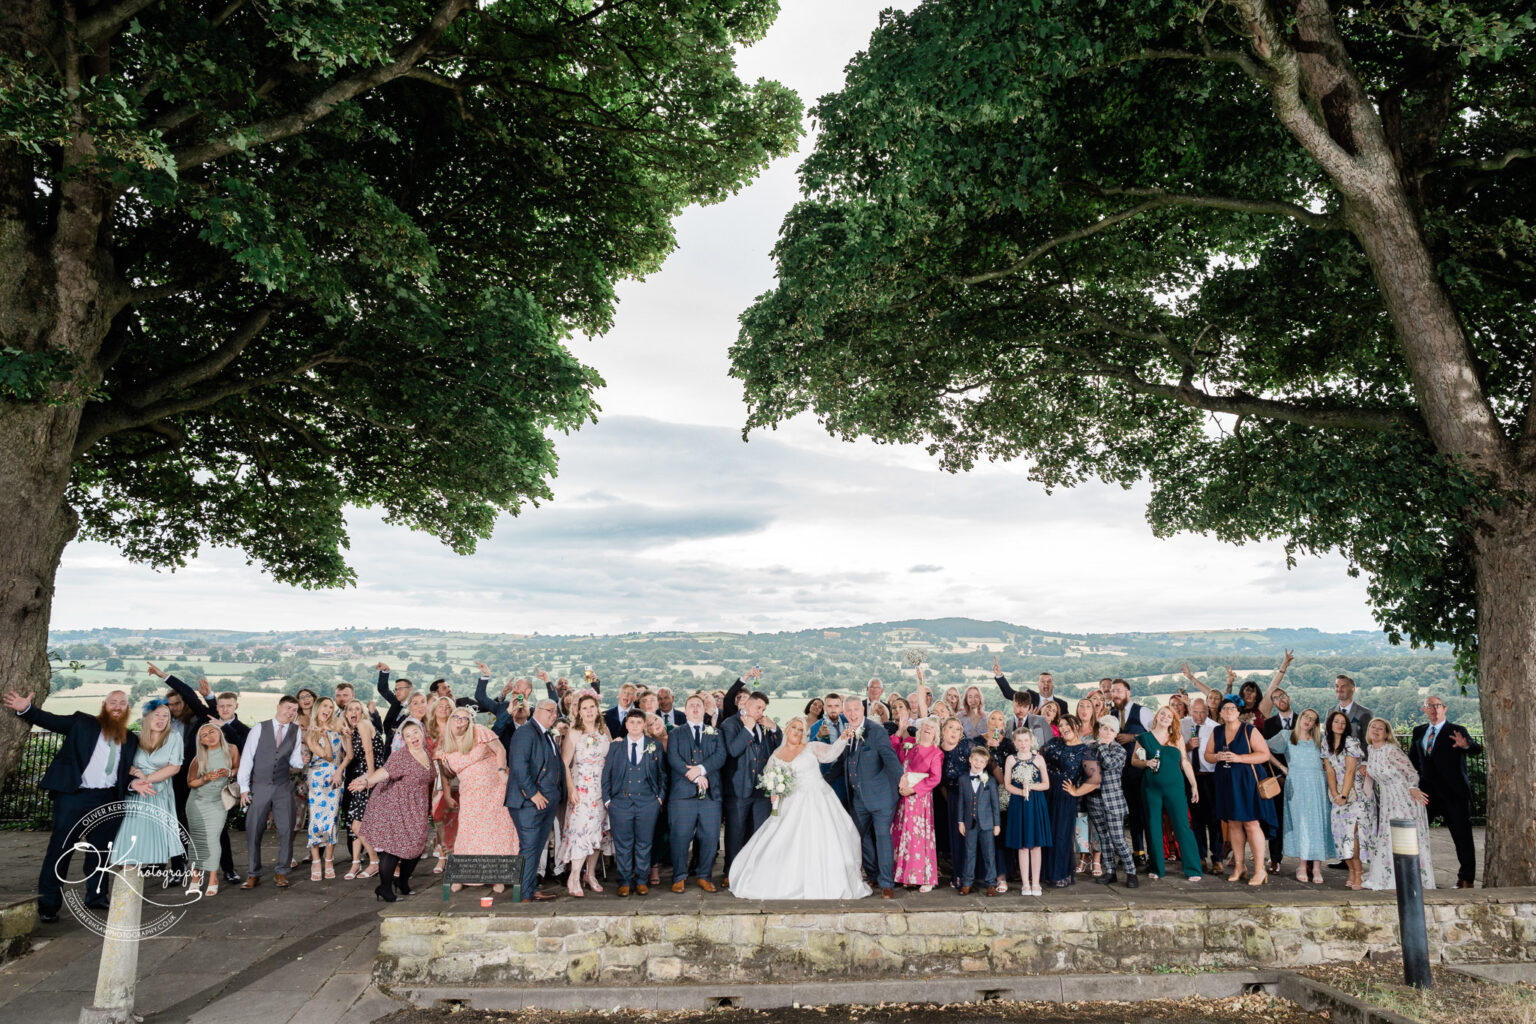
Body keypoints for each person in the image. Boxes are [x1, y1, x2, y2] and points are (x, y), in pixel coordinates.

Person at [2, 687, 139, 921]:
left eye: (122, 703)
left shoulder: (131, 739)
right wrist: (25, 709)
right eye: (113, 702)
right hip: (74, 796)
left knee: (101, 851)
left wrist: (136, 780)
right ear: (104, 705)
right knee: (60, 849)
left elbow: (127, 773)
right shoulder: (82, 723)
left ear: (127, 709)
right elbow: (51, 721)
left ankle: (96, 897)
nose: (117, 706)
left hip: (108, 799)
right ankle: (48, 905)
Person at [728, 717, 870, 900]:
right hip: (790, 801)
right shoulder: (775, 756)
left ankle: (825, 882)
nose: (797, 732)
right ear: (787, 729)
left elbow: (831, 754)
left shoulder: (811, 747)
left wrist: (842, 738)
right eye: (794, 727)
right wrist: (774, 791)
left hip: (818, 799)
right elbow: (770, 779)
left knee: (823, 840)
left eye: (801, 729)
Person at [436, 707, 517, 893]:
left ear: (469, 721)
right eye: (456, 717)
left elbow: (501, 750)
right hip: (470, 794)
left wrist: (501, 771)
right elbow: (446, 774)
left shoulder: (479, 731)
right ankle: (462, 876)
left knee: (497, 832)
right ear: (450, 720)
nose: (459, 721)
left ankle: (498, 877)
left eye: (464, 718)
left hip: (495, 790)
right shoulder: (444, 744)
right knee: (468, 832)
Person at [351, 720, 433, 902]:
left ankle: (402, 882)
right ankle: (385, 888)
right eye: (408, 735)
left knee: (417, 844)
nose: (413, 737)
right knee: (394, 847)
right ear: (403, 740)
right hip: (394, 805)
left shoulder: (426, 753)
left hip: (416, 806)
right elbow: (384, 772)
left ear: (422, 733)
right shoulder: (401, 757)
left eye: (415, 732)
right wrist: (366, 781)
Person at [829, 696, 903, 899]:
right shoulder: (847, 733)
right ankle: (873, 874)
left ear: (863, 710)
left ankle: (887, 884)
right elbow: (842, 761)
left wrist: (902, 781)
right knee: (857, 836)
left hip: (882, 797)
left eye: (856, 709)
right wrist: (822, 780)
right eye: (849, 710)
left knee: (882, 837)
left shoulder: (876, 731)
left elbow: (889, 758)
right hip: (859, 799)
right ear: (845, 713)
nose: (852, 714)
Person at [105, 698, 186, 882]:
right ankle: (128, 877)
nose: (161, 719)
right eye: (156, 715)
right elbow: (124, 763)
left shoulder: (174, 738)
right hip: (135, 795)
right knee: (129, 834)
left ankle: (174, 868)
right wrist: (133, 772)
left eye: (165, 716)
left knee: (159, 834)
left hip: (158, 791)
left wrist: (146, 780)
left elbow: (174, 767)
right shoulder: (135, 738)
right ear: (146, 717)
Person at [1408, 695, 1480, 888]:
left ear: (1444, 708)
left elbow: (1475, 749)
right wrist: (1410, 785)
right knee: (1416, 835)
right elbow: (1412, 762)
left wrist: (1466, 745)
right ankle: (1415, 876)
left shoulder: (1456, 730)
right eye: (1430, 706)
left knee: (1462, 838)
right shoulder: (1418, 732)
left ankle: (1466, 879)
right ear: (1425, 710)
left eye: (1438, 706)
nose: (1434, 709)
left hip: (1454, 794)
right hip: (1426, 795)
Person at [1205, 698, 1276, 885]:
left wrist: (1239, 758)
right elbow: (1207, 755)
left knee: (1251, 823)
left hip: (1247, 781)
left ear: (1238, 712)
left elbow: (1264, 754)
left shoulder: (1249, 730)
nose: (1228, 711)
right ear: (1220, 713)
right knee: (1234, 824)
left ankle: (1260, 870)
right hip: (1226, 781)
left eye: (1232, 708)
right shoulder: (1217, 731)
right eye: (1225, 708)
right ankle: (1239, 866)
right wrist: (1217, 756)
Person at [237, 695, 305, 889]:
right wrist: (244, 788)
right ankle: (253, 873)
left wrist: (304, 761)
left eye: (294, 710)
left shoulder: (295, 730)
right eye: (288, 708)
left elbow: (294, 759)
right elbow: (247, 759)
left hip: (283, 787)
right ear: (278, 707)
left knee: (286, 830)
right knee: (254, 830)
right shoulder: (259, 728)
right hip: (260, 786)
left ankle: (281, 872)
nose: (291, 713)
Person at [1360, 718, 1435, 892]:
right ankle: (1389, 877)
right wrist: (1364, 769)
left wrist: (1412, 788)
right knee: (1388, 836)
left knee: (1406, 837)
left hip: (1403, 798)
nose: (1376, 730)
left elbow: (1411, 773)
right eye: (1373, 727)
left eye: (1381, 728)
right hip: (1387, 800)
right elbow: (1371, 777)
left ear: (1387, 734)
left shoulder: (1392, 751)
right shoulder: (1371, 750)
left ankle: (1413, 879)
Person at [1132, 706, 1203, 882]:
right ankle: (1156, 867)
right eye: (1162, 714)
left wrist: (1194, 785)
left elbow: (1185, 762)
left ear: (1173, 721)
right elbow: (1134, 761)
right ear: (1156, 717)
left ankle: (1193, 868)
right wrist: (1146, 762)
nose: (1165, 717)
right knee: (1153, 827)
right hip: (1151, 788)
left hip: (1175, 788)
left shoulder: (1176, 738)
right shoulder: (1144, 738)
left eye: (1169, 716)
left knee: (1183, 826)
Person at [505, 699, 566, 902]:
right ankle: (524, 894)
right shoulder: (525, 732)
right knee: (530, 847)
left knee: (537, 847)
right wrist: (532, 794)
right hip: (528, 803)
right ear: (536, 711)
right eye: (550, 711)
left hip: (547, 801)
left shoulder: (546, 734)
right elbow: (519, 766)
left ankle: (530, 889)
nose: (553, 715)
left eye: (555, 712)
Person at [1265, 709, 1335, 883]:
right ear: (1300, 718)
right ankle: (1302, 865)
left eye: (1312, 719)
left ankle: (1317, 867)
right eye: (1306, 716)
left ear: (1315, 724)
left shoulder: (1321, 740)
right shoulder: (1286, 736)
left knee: (1318, 824)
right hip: (1296, 784)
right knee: (1301, 824)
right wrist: (1281, 767)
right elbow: (1264, 748)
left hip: (1317, 785)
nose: (1308, 721)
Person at [666, 694, 727, 892]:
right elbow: (674, 758)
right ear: (685, 710)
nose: (694, 709)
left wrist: (700, 770)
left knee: (710, 837)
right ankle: (679, 877)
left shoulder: (715, 732)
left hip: (710, 795)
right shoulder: (676, 733)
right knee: (680, 837)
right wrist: (692, 776)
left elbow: (720, 756)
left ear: (704, 710)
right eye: (691, 705)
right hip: (682, 796)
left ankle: (704, 876)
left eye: (698, 706)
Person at [721, 690, 781, 884]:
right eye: (758, 707)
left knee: (758, 832)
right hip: (738, 788)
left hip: (761, 789)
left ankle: (753, 871)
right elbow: (732, 751)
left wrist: (773, 728)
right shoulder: (730, 724)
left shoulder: (763, 724)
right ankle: (731, 873)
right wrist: (747, 730)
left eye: (763, 709)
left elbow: (779, 748)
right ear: (746, 704)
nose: (760, 712)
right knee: (735, 833)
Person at [602, 709, 664, 896]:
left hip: (648, 802)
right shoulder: (616, 747)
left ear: (644, 725)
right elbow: (607, 775)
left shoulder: (654, 745)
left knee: (644, 844)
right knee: (623, 844)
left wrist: (659, 797)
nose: (635, 725)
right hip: (620, 802)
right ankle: (625, 881)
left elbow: (662, 774)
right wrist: (608, 800)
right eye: (632, 722)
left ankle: (642, 880)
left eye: (639, 722)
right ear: (626, 725)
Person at [557, 694, 612, 897]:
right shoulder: (575, 732)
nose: (589, 711)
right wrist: (571, 789)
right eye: (585, 708)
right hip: (582, 788)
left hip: (602, 788)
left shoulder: (604, 730)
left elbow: (611, 756)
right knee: (581, 831)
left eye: (592, 707)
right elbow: (564, 763)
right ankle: (574, 876)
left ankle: (590, 874)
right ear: (578, 712)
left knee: (598, 832)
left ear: (597, 709)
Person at [1041, 715, 1100, 887]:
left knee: (1060, 836)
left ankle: (1059, 874)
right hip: (1045, 793)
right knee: (1045, 833)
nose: (1064, 727)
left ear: (1076, 725)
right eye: (1061, 725)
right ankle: (1043, 872)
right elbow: (1037, 760)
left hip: (1064, 797)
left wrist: (1076, 792)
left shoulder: (1084, 750)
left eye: (1068, 724)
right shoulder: (1053, 743)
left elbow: (1095, 779)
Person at [185, 722, 238, 896]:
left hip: (217, 802)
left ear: (219, 732)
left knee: (213, 839)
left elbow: (237, 769)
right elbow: (191, 782)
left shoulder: (231, 749)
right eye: (204, 735)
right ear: (202, 741)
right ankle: (195, 877)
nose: (210, 736)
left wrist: (228, 773)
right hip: (197, 803)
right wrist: (206, 778)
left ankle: (213, 877)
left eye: (212, 731)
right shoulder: (199, 757)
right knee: (198, 840)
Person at [1321, 709, 1372, 890]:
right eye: (1336, 722)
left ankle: (1358, 872)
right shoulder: (1325, 743)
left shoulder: (1351, 742)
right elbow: (1330, 771)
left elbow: (1350, 771)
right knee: (1340, 835)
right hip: (1337, 795)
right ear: (1330, 724)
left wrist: (1343, 794)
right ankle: (1350, 871)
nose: (1340, 725)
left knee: (1351, 835)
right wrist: (1334, 793)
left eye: (1343, 722)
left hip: (1354, 795)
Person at [1083, 716, 1135, 887]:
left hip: (1113, 801)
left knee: (1118, 839)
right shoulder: (1090, 747)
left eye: (1111, 730)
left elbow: (1109, 764)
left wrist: (1103, 746)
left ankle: (1131, 872)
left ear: (1116, 733)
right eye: (1104, 728)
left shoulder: (1120, 750)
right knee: (1103, 837)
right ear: (1099, 730)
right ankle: (1110, 872)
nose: (1107, 732)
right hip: (1094, 799)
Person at [891, 717, 942, 891]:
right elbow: (893, 751)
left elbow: (935, 778)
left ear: (936, 733)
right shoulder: (910, 743)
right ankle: (903, 876)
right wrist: (899, 731)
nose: (928, 728)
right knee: (901, 834)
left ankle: (923, 877)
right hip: (902, 796)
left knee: (917, 837)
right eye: (926, 725)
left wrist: (913, 790)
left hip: (919, 799)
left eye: (932, 727)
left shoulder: (936, 752)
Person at [304, 697, 349, 882]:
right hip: (317, 778)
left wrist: (345, 732)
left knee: (332, 820)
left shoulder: (337, 723)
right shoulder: (310, 733)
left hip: (335, 778)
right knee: (315, 820)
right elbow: (328, 756)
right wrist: (323, 737)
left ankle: (329, 861)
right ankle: (316, 861)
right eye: (325, 706)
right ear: (317, 708)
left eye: (331, 707)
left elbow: (345, 750)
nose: (328, 710)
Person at [1003, 728, 1050, 896]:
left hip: (1036, 803)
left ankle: (1036, 882)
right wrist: (1021, 792)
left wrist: (1031, 787)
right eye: (1019, 741)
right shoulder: (1010, 759)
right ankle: (1025, 883)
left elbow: (1046, 784)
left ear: (1031, 742)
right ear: (1014, 743)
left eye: (1026, 741)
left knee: (1036, 845)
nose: (1023, 744)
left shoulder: (1039, 759)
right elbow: (1007, 784)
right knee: (1022, 845)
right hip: (1018, 802)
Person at [341, 699, 384, 880]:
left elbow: (369, 752)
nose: (354, 712)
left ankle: (374, 862)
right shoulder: (352, 729)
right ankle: (356, 863)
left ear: (363, 713)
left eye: (357, 709)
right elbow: (350, 755)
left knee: (358, 824)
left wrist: (371, 778)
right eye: (350, 709)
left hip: (371, 775)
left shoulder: (364, 724)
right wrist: (346, 735)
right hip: (360, 775)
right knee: (354, 822)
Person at [955, 744, 1001, 896]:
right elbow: (961, 801)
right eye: (975, 760)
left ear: (986, 763)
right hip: (970, 823)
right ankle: (967, 882)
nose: (978, 763)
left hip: (987, 823)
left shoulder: (991, 781)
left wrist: (997, 824)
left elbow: (995, 804)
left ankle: (991, 883)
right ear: (970, 759)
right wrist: (960, 821)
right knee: (969, 853)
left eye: (982, 761)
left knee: (989, 854)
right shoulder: (962, 779)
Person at [1187, 696, 1224, 872]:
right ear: (1190, 710)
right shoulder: (1182, 725)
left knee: (1214, 820)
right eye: (1196, 712)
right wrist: (1187, 747)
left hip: (1211, 776)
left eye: (1203, 712)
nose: (1199, 716)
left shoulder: (1216, 728)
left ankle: (1217, 859)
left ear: (1208, 712)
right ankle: (1199, 857)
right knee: (1196, 820)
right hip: (1190, 777)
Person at [937, 717, 972, 889]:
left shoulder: (967, 747)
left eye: (958, 729)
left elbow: (984, 765)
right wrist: (951, 801)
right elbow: (941, 782)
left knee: (971, 837)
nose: (954, 732)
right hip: (951, 797)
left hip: (971, 797)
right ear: (943, 730)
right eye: (951, 728)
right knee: (956, 837)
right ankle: (958, 875)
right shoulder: (937, 752)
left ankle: (971, 875)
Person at [1331, 675, 1373, 742]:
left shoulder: (1365, 713)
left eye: (1343, 686)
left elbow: (1367, 743)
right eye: (1337, 686)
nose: (1339, 689)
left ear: (1353, 690)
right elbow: (1328, 738)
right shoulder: (1330, 712)